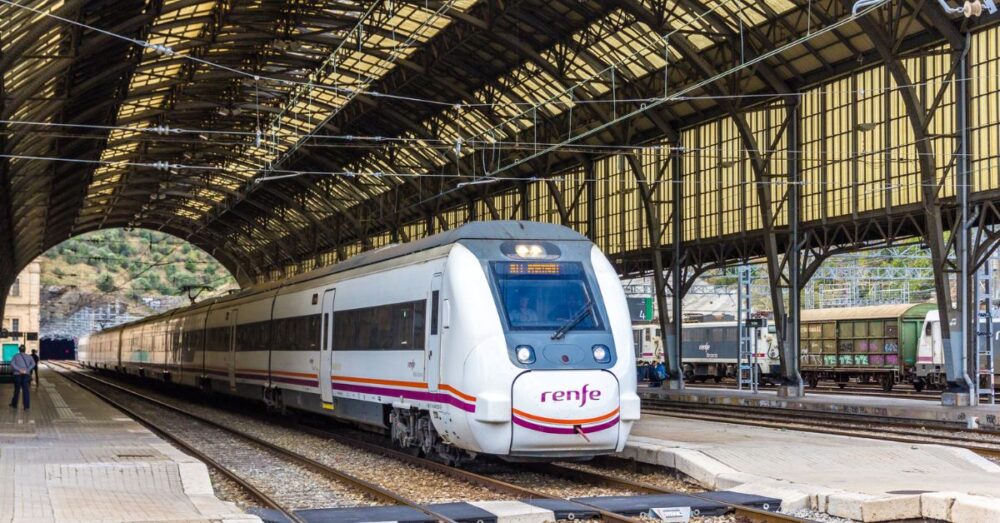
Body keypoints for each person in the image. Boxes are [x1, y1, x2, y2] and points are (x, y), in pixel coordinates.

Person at [9, 345, 35, 410]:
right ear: (25, 350)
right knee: (26, 390)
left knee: (16, 390)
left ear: (19, 350)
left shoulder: (15, 356)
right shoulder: (29, 357)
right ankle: (26, 406)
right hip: (26, 375)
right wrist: (27, 370)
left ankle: (14, 404)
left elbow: (12, 364)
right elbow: (33, 364)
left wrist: (19, 370)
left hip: (17, 375)